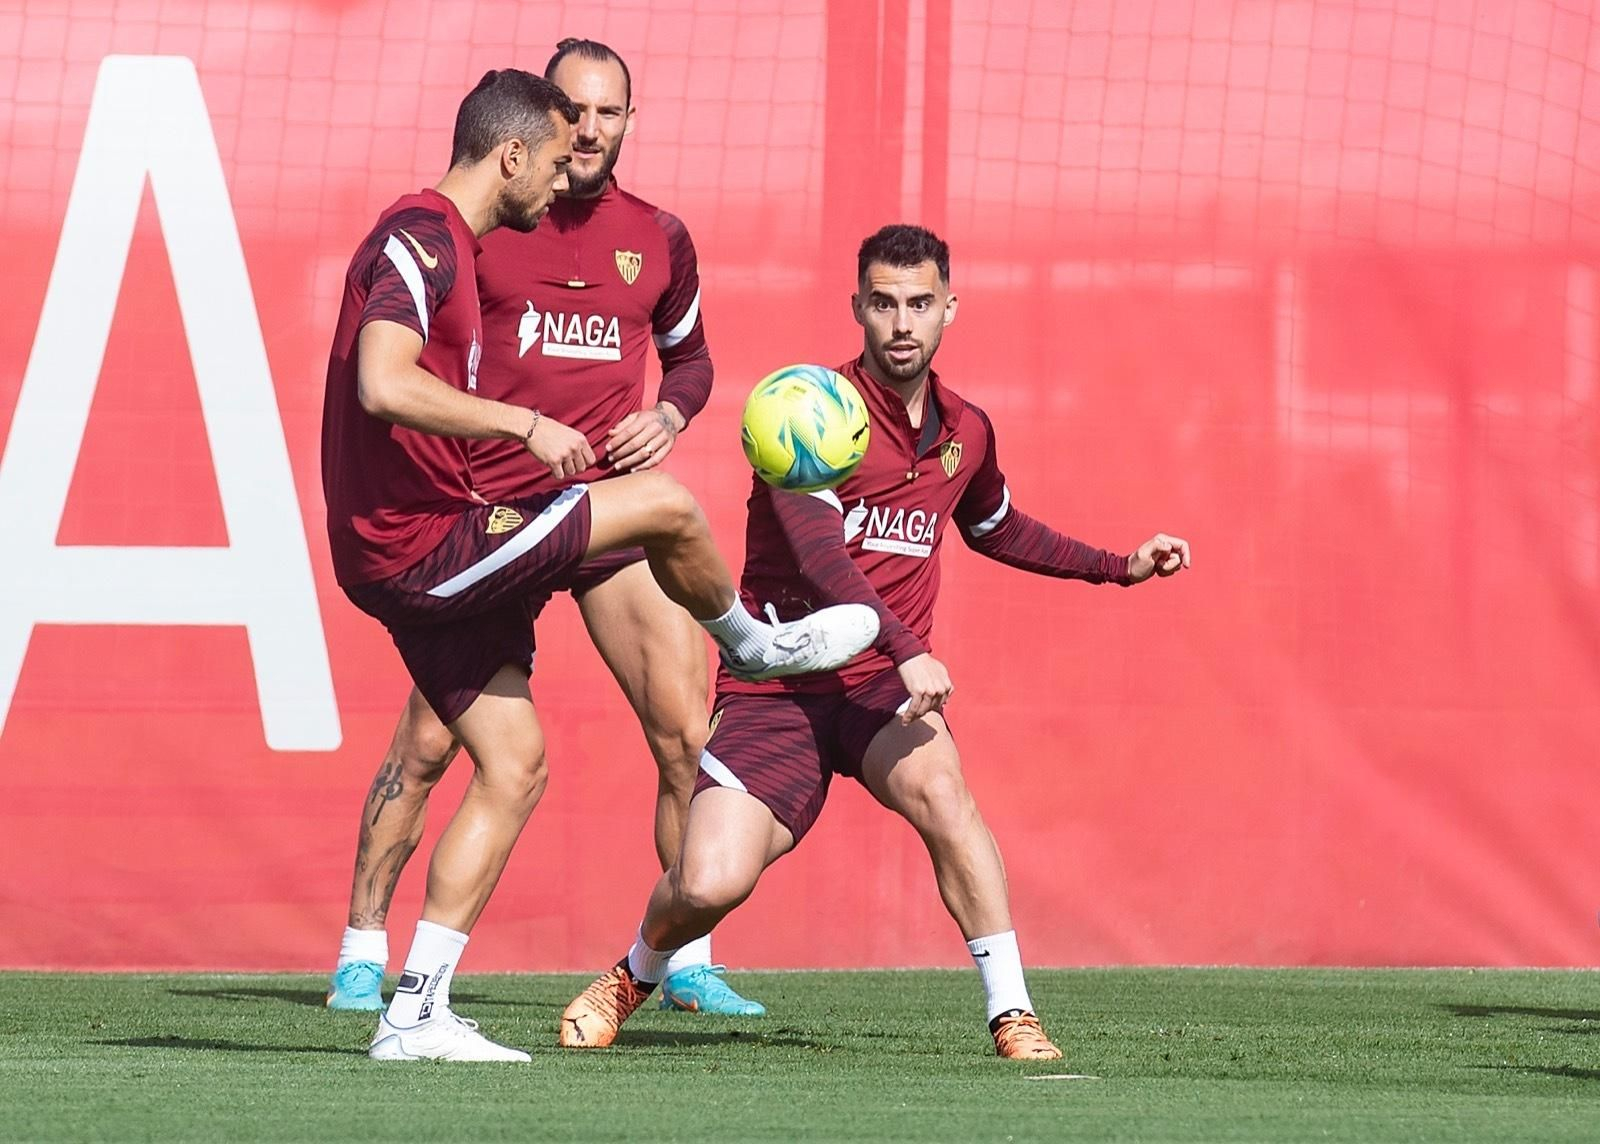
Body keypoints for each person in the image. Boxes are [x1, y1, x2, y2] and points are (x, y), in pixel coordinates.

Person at [319, 69, 878, 1062]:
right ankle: (758, 643)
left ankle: (414, 1012)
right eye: (556, 135)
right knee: (668, 508)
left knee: (515, 763)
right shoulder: (425, 235)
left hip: (465, 529)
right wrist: (524, 423)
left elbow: (688, 359)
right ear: (513, 155)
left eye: (603, 114)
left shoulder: (639, 235)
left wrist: (661, 412)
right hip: (436, 537)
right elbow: (379, 377)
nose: (573, 152)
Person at [557, 224, 1191, 1060]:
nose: (902, 323)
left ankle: (1013, 1014)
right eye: (884, 303)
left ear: (949, 310)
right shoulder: (810, 410)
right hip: (778, 686)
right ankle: (632, 973)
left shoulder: (967, 428)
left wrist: (1120, 566)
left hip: (880, 693)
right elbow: (822, 559)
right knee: (708, 882)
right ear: (858, 307)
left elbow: (999, 527)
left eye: (920, 304)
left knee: (945, 799)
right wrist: (906, 645)